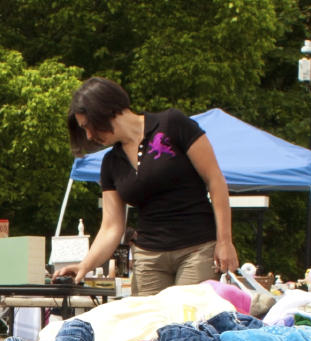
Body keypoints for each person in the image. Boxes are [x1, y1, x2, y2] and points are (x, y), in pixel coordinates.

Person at [61, 77, 237, 293]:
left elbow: (215, 180)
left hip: (197, 250)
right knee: (148, 323)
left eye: (88, 126)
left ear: (104, 109)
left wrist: (225, 241)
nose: (88, 136)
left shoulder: (172, 124)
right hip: (148, 258)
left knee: (187, 320)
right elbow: (111, 227)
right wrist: (85, 265)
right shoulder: (111, 163)